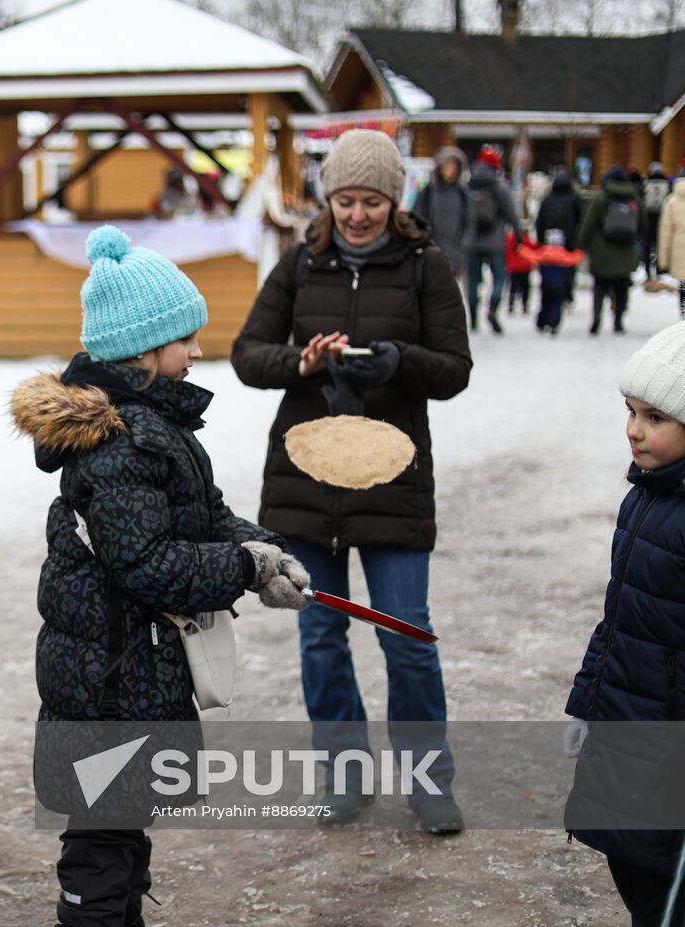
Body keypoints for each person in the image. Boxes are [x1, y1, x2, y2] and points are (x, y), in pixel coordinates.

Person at [11, 224, 310, 927]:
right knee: (103, 842)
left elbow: (206, 515)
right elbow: (147, 563)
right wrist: (243, 567)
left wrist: (265, 550)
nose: (197, 352)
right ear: (143, 352)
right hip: (110, 679)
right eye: (185, 339)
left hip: (129, 673)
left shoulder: (154, 428)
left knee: (122, 830)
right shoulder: (123, 444)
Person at [231, 129, 473, 834]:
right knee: (321, 636)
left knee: (407, 633)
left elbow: (455, 369)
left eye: (371, 201)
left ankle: (429, 782)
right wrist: (301, 363)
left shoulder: (426, 266)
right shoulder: (301, 263)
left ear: (394, 201)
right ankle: (344, 773)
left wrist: (400, 361)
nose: (357, 215)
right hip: (306, 480)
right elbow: (248, 354)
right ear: (328, 200)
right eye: (345, 201)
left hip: (392, 479)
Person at [564, 321, 685, 926]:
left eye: (655, 417)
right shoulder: (645, 496)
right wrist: (588, 702)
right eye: (631, 411)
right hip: (627, 725)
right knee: (633, 868)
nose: (634, 429)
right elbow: (616, 616)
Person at [577, 165, 643, 335]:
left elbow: (588, 223)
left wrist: (581, 245)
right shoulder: (633, 198)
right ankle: (618, 321)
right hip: (626, 250)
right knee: (622, 287)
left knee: (600, 286)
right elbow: (643, 224)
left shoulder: (601, 198)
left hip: (602, 250)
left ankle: (597, 316)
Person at [465, 145, 524, 334]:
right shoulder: (500, 185)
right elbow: (511, 213)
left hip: (472, 241)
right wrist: (519, 236)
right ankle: (492, 308)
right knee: (499, 278)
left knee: (472, 281)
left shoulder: (468, 184)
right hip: (496, 241)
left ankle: (473, 317)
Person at [412, 146, 472, 289]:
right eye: (447, 165)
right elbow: (418, 217)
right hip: (432, 249)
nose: (451, 170)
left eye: (454, 166)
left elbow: (470, 220)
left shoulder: (462, 193)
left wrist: (464, 245)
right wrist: (424, 241)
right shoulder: (429, 191)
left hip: (455, 250)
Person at [534, 169, 584, 304]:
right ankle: (567, 291)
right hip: (569, 238)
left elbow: (540, 222)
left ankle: (549, 288)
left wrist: (540, 241)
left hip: (549, 239)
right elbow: (581, 218)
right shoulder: (575, 199)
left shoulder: (547, 200)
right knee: (568, 265)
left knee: (549, 264)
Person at [656, 175, 685, 321]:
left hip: (679, 249)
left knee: (683, 285)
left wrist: (663, 261)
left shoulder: (672, 200)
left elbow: (665, 232)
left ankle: (683, 317)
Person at [641, 162, 673, 282]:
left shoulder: (646, 183)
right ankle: (659, 270)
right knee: (660, 245)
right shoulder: (667, 183)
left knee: (647, 246)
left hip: (648, 219)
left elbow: (642, 201)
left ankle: (647, 271)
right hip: (662, 218)